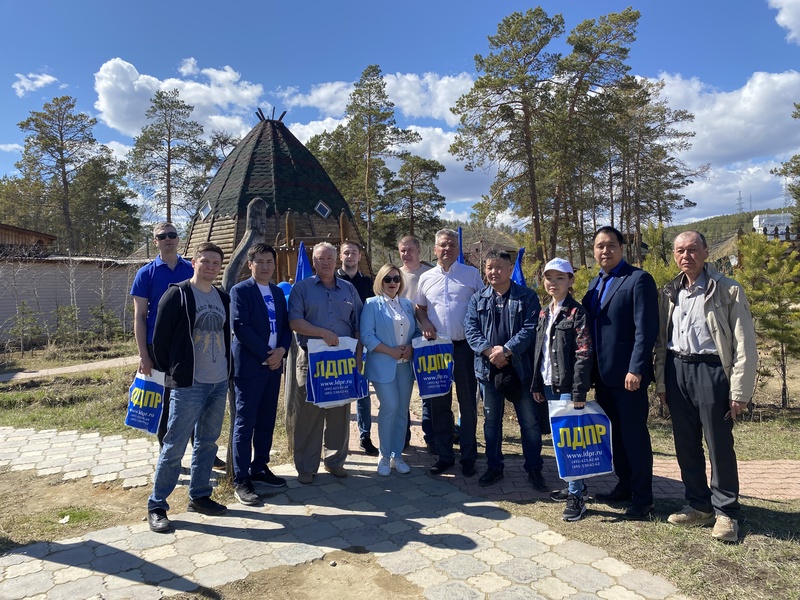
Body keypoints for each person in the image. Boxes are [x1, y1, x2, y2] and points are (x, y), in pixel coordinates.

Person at [655, 231, 757, 542]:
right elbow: (661, 342)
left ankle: (726, 512)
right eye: (679, 251)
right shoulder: (670, 292)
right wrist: (662, 381)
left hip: (712, 372)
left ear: (705, 252)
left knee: (718, 444)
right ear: (674, 256)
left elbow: (745, 344)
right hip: (677, 369)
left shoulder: (727, 290)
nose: (686, 256)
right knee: (685, 443)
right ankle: (699, 504)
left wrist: (739, 391)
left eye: (692, 250)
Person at [147, 242, 231, 533]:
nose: (210, 267)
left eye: (215, 263)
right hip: (189, 384)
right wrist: (177, 373)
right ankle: (157, 504)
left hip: (218, 381)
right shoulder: (178, 294)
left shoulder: (222, 296)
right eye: (205, 261)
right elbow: (160, 341)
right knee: (174, 445)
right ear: (193, 262)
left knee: (208, 443)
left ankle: (199, 496)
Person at [582, 226, 658, 520]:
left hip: (628, 377)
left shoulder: (638, 279)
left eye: (611, 245)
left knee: (635, 437)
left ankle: (643, 500)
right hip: (602, 376)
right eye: (600, 246)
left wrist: (636, 368)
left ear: (621, 248)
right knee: (616, 437)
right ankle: (624, 486)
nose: (605, 251)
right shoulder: (593, 283)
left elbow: (645, 329)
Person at [464, 251, 544, 491]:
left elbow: (531, 328)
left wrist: (507, 350)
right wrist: (490, 352)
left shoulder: (527, 297)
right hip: (488, 371)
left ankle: (534, 469)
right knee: (491, 421)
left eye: (499, 267)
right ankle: (494, 466)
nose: (493, 272)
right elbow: (470, 329)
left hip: (521, 370)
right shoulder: (477, 299)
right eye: (489, 267)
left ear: (510, 269)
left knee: (529, 422)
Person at [288, 242, 362, 484]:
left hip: (342, 362)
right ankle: (306, 466)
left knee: (340, 412)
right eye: (321, 259)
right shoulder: (302, 288)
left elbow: (359, 324)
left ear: (336, 259)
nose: (327, 262)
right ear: (314, 260)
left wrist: (358, 359)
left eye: (330, 258)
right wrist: (322, 333)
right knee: (309, 413)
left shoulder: (349, 289)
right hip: (311, 359)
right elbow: (295, 322)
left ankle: (335, 461)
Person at [415, 229, 483, 476]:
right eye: (443, 245)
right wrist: (424, 324)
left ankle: (468, 456)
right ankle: (445, 456)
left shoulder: (472, 275)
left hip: (465, 347)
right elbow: (420, 308)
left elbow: (483, 305)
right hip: (437, 349)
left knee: (467, 404)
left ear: (458, 249)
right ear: (435, 249)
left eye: (452, 245)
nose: (447, 249)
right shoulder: (426, 278)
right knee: (438, 404)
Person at [531, 258, 593, 521]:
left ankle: (577, 497)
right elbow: (540, 353)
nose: (553, 283)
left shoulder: (577, 313)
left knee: (571, 443)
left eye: (559, 278)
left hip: (568, 388)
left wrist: (578, 393)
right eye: (549, 278)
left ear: (570, 281)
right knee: (559, 442)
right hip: (547, 385)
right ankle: (573, 487)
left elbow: (584, 354)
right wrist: (536, 383)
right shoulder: (544, 313)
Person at [229, 243, 292, 506]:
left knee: (266, 419)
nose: (265, 266)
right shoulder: (240, 291)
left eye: (269, 262)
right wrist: (268, 353)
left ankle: (260, 467)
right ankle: (241, 479)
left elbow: (286, 327)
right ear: (250, 264)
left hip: (274, 366)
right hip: (251, 366)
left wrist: (282, 351)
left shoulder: (277, 292)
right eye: (260, 262)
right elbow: (240, 328)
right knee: (246, 422)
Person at [130, 222, 194, 446]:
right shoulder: (145, 273)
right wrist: (143, 355)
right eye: (162, 236)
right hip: (156, 347)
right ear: (155, 241)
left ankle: (201, 451)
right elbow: (139, 317)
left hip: (188, 344)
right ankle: (167, 453)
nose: (168, 239)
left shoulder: (191, 270)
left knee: (193, 397)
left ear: (178, 239)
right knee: (164, 401)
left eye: (172, 235)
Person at [361, 264, 421, 476]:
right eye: (388, 279)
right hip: (382, 365)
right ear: (380, 281)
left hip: (405, 367)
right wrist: (390, 351)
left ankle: (397, 454)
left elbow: (416, 333)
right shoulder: (371, 304)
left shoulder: (406, 304)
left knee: (402, 410)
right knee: (390, 407)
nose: (393, 283)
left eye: (396, 278)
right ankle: (384, 455)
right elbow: (367, 336)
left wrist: (411, 347)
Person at [336, 240, 378, 457]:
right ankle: (336, 440)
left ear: (360, 256)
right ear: (340, 256)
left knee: (363, 391)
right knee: (337, 390)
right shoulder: (332, 280)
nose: (350, 256)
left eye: (353, 253)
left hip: (363, 342)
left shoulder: (368, 283)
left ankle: (365, 436)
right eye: (346, 253)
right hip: (339, 344)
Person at [397, 234, 432, 450]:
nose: (406, 253)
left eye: (410, 249)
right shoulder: (394, 275)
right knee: (402, 388)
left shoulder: (429, 273)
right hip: (400, 338)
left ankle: (430, 434)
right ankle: (403, 434)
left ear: (419, 250)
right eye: (402, 250)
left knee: (428, 388)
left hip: (425, 337)